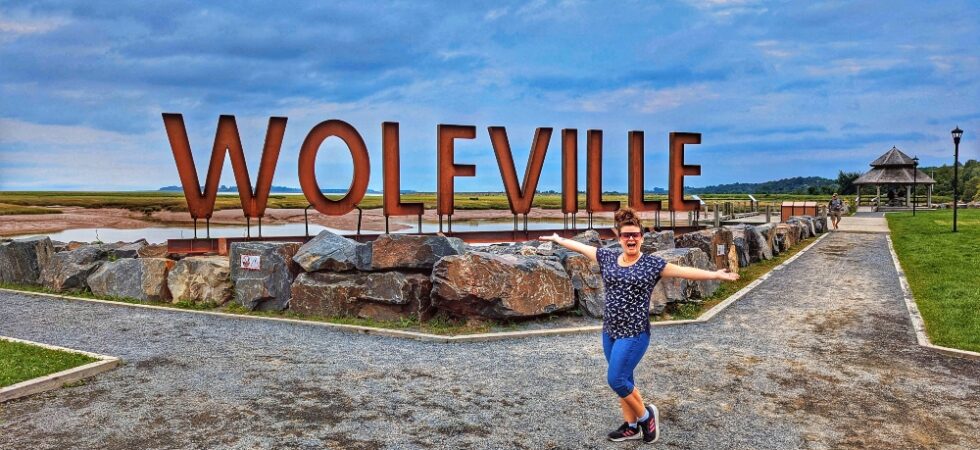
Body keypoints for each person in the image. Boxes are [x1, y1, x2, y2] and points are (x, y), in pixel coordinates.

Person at [541, 207, 739, 443]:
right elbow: (581, 247)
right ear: (620, 238)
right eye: (626, 235)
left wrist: (716, 275)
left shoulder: (651, 265)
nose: (631, 239)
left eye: (635, 235)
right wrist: (558, 239)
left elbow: (685, 271)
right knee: (626, 379)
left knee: (616, 379)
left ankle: (646, 417)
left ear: (642, 238)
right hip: (610, 332)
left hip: (634, 334)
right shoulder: (607, 258)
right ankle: (631, 426)